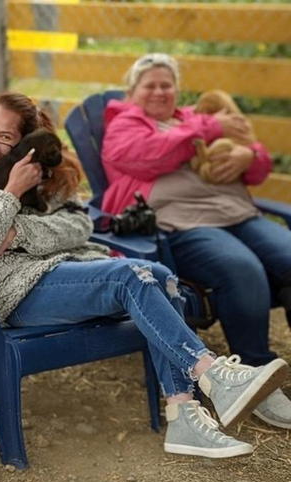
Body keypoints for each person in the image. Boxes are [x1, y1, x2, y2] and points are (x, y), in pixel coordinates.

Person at [0, 91, 289, 459]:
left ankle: (183, 414)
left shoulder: (41, 173)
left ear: (25, 142)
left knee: (161, 275)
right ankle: (212, 372)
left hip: (70, 270)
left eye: (5, 137)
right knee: (130, 276)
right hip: (17, 290)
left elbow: (78, 224)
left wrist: (19, 235)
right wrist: (10, 192)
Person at [101, 53, 291, 429]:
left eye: (166, 84)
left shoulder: (193, 118)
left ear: (177, 90)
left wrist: (245, 155)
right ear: (132, 91)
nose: (159, 91)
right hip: (181, 223)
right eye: (150, 85)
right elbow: (148, 156)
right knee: (242, 269)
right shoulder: (125, 124)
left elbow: (260, 163)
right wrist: (207, 129)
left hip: (237, 211)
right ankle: (256, 378)